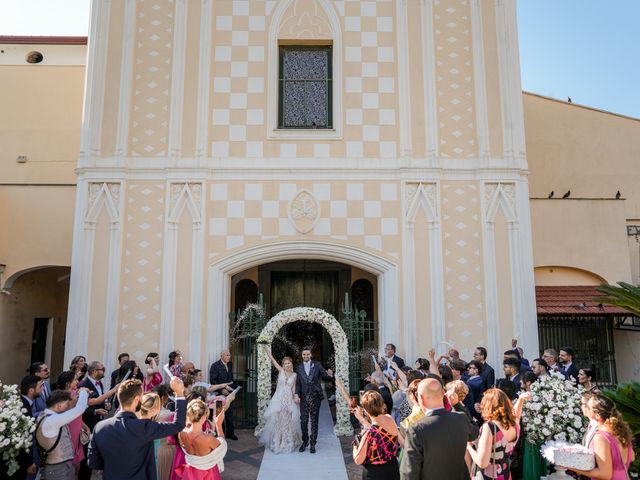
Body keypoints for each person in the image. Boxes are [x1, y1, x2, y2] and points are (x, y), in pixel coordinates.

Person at [88, 376, 187, 479]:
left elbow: (93, 463)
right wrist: (179, 394)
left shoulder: (99, 427)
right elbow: (178, 425)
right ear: (137, 399)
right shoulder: (144, 427)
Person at [400, 378, 475, 480]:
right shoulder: (460, 418)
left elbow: (409, 472)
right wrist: (457, 405)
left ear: (420, 398)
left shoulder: (417, 430)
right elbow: (474, 432)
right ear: (443, 393)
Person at [568, 394, 634, 479]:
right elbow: (631, 457)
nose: (585, 408)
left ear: (597, 415)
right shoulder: (620, 431)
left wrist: (573, 467)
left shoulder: (601, 437)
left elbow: (605, 474)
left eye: (588, 406)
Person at [34, 388, 90, 480]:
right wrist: (83, 391)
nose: (69, 406)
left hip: (59, 467)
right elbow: (80, 408)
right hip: (58, 469)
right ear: (59, 406)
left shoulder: (45, 416)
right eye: (67, 403)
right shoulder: (52, 420)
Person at [258, 345, 303, 453]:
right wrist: (267, 350)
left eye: (289, 363)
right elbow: (273, 361)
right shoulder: (281, 371)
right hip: (279, 398)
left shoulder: (295, 375)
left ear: (291, 363)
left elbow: (293, 389)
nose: (287, 365)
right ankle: (277, 442)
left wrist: (295, 397)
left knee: (287, 420)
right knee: (278, 420)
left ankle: (287, 442)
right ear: (283, 365)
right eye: (286, 363)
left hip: (288, 399)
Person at [467, 388, 520, 479]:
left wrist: (469, 447)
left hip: (488, 475)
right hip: (505, 473)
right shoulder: (514, 424)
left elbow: (482, 463)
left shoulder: (489, 427)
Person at [352, 390, 400, 480]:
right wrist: (363, 419)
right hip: (393, 469)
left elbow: (358, 460)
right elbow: (379, 430)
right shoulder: (390, 419)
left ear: (365, 410)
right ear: (382, 404)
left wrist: (355, 445)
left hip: (375, 473)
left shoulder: (369, 434)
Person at [175, 399, 228, 480]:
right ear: (204, 417)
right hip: (208, 474)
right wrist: (218, 425)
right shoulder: (208, 439)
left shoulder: (181, 433)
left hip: (190, 472)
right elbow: (222, 448)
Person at [295, 346, 334, 453]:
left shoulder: (317, 365)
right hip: (303, 397)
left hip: (315, 396)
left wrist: (329, 374)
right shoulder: (298, 367)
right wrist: (296, 395)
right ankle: (305, 441)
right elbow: (298, 384)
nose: (306, 356)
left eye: (307, 354)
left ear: (310, 355)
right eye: (304, 354)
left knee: (314, 420)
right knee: (303, 420)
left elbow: (324, 375)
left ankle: (313, 443)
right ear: (302, 355)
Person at [57, 371, 92, 476]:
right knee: (72, 467)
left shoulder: (74, 394)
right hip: (69, 433)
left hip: (76, 433)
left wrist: (85, 427)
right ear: (68, 384)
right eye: (75, 380)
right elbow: (80, 409)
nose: (78, 382)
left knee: (77, 467)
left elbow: (77, 416)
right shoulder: (66, 398)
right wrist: (83, 393)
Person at [15, 375, 43, 478]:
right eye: (40, 386)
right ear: (31, 390)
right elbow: (22, 439)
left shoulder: (26, 402)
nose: (43, 389)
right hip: (21, 461)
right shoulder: (22, 407)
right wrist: (28, 463)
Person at [209, 349, 238, 441]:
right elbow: (213, 381)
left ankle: (230, 433)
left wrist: (233, 391)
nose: (229, 357)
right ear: (221, 356)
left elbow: (231, 379)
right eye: (227, 355)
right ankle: (220, 434)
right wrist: (222, 390)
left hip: (229, 393)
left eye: (229, 355)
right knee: (219, 413)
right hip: (219, 394)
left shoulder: (230, 364)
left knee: (230, 413)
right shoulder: (215, 366)